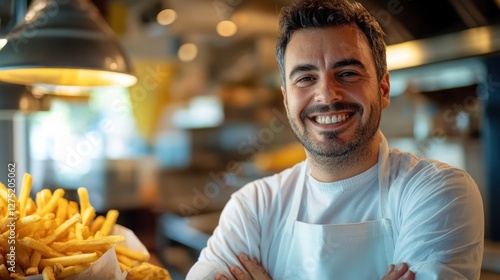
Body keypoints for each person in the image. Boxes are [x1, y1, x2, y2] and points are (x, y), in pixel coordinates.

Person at [186, 0, 484, 279]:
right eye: (305, 78)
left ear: (383, 89)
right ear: (286, 99)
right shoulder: (253, 206)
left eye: (348, 73)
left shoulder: (438, 193)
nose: (327, 95)